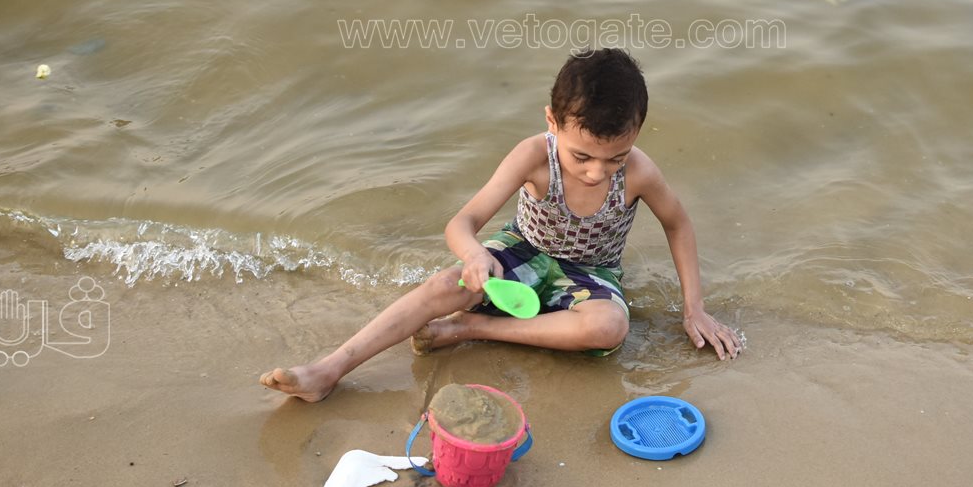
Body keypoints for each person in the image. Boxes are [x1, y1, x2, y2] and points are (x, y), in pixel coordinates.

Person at [260, 48, 743, 404]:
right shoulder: (534, 156)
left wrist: (694, 308)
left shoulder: (639, 171)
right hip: (521, 252)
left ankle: (474, 327)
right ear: (553, 121)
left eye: (614, 157)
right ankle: (329, 369)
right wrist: (474, 254)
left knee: (611, 327)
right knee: (445, 284)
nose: (597, 171)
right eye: (582, 156)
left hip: (590, 275)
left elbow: (678, 225)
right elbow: (463, 222)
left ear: (636, 133)